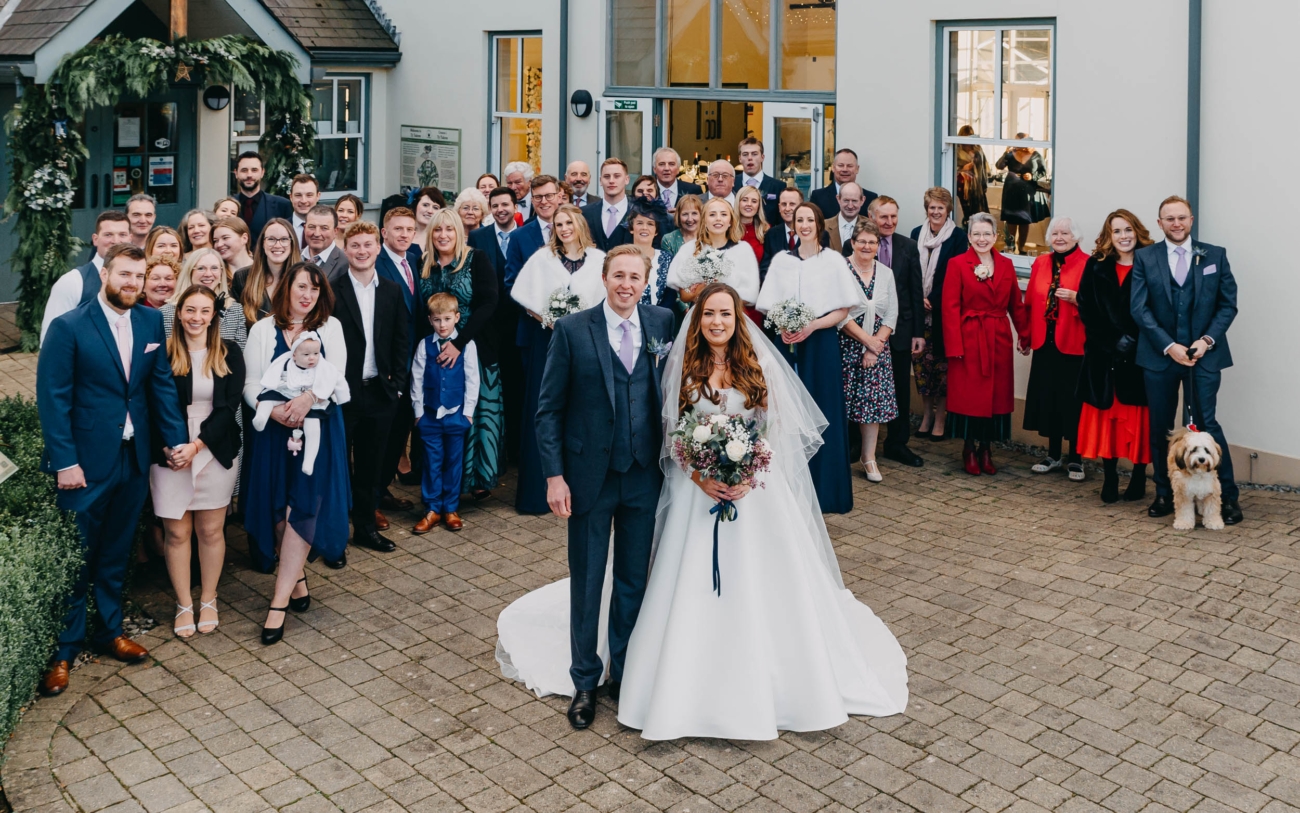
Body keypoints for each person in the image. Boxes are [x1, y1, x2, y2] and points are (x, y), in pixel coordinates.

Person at [495, 280, 909, 738]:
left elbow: (774, 428)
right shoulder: (682, 366)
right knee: (671, 581)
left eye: (725, 315)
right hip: (696, 493)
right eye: (709, 313)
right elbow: (670, 431)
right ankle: (632, 675)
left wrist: (749, 473)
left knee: (759, 584)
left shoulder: (756, 365)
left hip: (754, 497)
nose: (716, 321)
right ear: (699, 319)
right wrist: (700, 475)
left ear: (737, 320)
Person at [36, 244, 190, 696]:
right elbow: (54, 398)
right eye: (125, 274)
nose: (133, 283)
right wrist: (65, 461)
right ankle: (64, 649)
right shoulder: (69, 327)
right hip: (84, 462)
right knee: (80, 554)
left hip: (133, 458)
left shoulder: (148, 321)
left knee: (116, 550)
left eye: (139, 277)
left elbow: (159, 384)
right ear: (105, 273)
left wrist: (175, 438)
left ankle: (108, 631)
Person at [531, 245, 674, 728]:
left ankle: (625, 673)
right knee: (589, 582)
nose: (626, 285)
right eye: (618, 276)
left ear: (646, 279)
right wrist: (554, 476)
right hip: (587, 477)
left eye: (635, 276)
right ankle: (586, 682)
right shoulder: (573, 331)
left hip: (642, 476)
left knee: (634, 579)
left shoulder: (662, 323)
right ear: (604, 276)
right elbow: (548, 409)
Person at [243, 262, 351, 640]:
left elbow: (337, 378)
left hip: (318, 431)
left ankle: (277, 603)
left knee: (301, 510)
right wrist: (271, 411)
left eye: (315, 289)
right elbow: (252, 381)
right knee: (276, 513)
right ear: (287, 287)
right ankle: (297, 580)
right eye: (301, 286)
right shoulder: (261, 329)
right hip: (273, 432)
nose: (307, 295)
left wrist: (307, 399)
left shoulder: (330, 328)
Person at [1131, 196, 1241, 524]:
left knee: (1207, 425)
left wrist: (1206, 341)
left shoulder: (1215, 255)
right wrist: (1169, 345)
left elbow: (1227, 304)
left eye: (1181, 218)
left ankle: (1227, 498)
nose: (1176, 223)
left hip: (1205, 356)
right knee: (1161, 427)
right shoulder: (1145, 257)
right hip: (1159, 356)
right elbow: (1139, 308)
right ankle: (1165, 492)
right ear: (1160, 222)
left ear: (1191, 220)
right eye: (1169, 219)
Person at [757, 202, 865, 513]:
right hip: (786, 341)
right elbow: (768, 304)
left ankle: (825, 491)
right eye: (799, 219)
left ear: (819, 224)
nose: (804, 225)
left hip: (821, 343)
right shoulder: (781, 261)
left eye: (810, 220)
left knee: (823, 409)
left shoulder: (833, 262)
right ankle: (784, 491)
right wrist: (784, 325)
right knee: (782, 411)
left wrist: (812, 325)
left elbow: (844, 309)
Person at [151, 285, 244, 637]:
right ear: (178, 313)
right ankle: (183, 603)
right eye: (190, 310)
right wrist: (168, 447)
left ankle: (208, 598)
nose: (197, 318)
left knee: (210, 530)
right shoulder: (162, 352)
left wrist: (198, 446)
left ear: (214, 315)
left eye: (205, 311)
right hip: (170, 451)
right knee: (176, 532)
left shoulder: (229, 352)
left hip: (214, 448)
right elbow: (153, 404)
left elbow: (228, 407)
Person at [511, 204, 607, 514]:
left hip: (588, 343)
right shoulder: (543, 259)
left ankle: (583, 488)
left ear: (580, 225)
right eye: (558, 224)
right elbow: (523, 296)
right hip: (548, 341)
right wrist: (549, 317)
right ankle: (537, 494)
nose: (563, 228)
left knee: (583, 410)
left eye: (568, 222)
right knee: (546, 408)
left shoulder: (599, 260)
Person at [332, 220, 409, 561]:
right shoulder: (333, 291)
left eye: (368, 245)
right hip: (341, 395)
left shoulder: (391, 290)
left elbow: (400, 342)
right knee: (336, 468)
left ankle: (365, 529)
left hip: (379, 392)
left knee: (370, 466)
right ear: (345, 250)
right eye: (355, 246)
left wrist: (397, 388)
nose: (362, 251)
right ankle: (332, 539)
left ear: (378, 247)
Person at [419, 209, 502, 501]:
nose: (443, 235)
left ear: (459, 232)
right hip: (433, 352)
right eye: (438, 230)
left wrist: (460, 343)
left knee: (476, 413)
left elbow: (490, 301)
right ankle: (438, 483)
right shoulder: (424, 263)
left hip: (473, 345)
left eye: (449, 230)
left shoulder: (475, 259)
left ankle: (476, 479)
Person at [943, 212, 1029, 475]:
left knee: (995, 398)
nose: (982, 239)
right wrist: (954, 347)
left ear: (995, 237)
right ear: (969, 237)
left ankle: (987, 449)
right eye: (976, 234)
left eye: (987, 234)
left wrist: (1025, 335)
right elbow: (949, 307)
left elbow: (1016, 303)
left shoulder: (1005, 264)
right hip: (969, 338)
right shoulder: (958, 264)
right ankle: (969, 448)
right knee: (971, 398)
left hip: (998, 337)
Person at [1077, 209, 1153, 503]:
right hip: (1103, 356)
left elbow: (1160, 308)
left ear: (1137, 231)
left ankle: (1137, 478)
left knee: (1139, 419)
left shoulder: (1152, 264)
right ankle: (1109, 478)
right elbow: (1086, 307)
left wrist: (1134, 341)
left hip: (1139, 357)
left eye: (1128, 229)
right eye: (1117, 231)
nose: (1123, 236)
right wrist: (1112, 341)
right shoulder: (1096, 265)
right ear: (1109, 236)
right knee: (1107, 419)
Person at [1024, 217, 1089, 479]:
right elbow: (1029, 302)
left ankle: (1076, 458)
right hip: (1045, 341)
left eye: (1065, 233)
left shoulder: (1088, 264)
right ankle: (1053, 455)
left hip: (1074, 343)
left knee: (1072, 401)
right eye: (1055, 233)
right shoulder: (1041, 262)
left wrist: (1076, 299)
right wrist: (1026, 336)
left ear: (1076, 237)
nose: (1059, 237)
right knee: (1048, 398)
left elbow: (1098, 305)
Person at [411, 292, 480, 533]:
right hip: (429, 415)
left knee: (453, 462)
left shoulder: (467, 345)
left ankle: (451, 508)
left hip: (456, 414)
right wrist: (418, 412)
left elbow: (473, 379)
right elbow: (416, 379)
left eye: (447, 319)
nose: (442, 325)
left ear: (457, 318)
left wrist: (468, 413)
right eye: (437, 319)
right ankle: (432, 509)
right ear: (430, 320)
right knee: (432, 462)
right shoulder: (424, 345)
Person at [371, 206, 423, 520]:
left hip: (413, 363)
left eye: (408, 229)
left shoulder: (413, 261)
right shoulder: (377, 265)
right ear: (384, 233)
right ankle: (370, 499)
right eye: (397, 229)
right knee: (382, 434)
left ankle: (383, 488)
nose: (404, 235)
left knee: (399, 431)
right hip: (389, 365)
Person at [868, 196, 927, 468]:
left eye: (894, 216)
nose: (889, 222)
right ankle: (858, 443)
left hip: (901, 332)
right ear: (872, 218)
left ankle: (896, 443)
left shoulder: (908, 246)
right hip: (865, 331)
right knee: (863, 386)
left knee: (900, 389)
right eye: (884, 217)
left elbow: (916, 292)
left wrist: (918, 333)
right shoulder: (856, 244)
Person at [840, 221, 899, 483]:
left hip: (878, 348)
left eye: (872, 242)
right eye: (861, 241)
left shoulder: (886, 273)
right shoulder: (840, 269)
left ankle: (869, 458)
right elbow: (839, 314)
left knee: (871, 406)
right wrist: (867, 342)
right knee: (841, 403)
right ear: (852, 243)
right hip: (845, 345)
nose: (866, 246)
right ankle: (838, 458)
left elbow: (892, 313)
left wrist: (876, 347)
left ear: (878, 245)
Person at [469, 187, 523, 465]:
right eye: (495, 205)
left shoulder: (525, 235)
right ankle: (492, 451)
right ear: (489, 208)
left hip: (519, 325)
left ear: (515, 206)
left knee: (515, 388)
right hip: (487, 327)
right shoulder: (477, 237)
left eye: (506, 204)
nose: (501, 209)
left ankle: (514, 450)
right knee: (489, 390)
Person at [909, 187, 969, 440]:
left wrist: (931, 299)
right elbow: (910, 269)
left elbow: (955, 275)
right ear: (927, 209)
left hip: (943, 313)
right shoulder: (915, 234)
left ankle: (941, 418)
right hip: (917, 315)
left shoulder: (957, 237)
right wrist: (917, 299)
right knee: (922, 368)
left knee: (942, 370)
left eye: (940, 208)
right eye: (931, 207)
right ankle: (926, 415)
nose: (935, 212)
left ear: (948, 210)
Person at [251, 330, 349, 476]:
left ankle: (309, 460)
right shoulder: (286, 361)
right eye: (306, 355)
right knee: (268, 398)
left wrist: (341, 395)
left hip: (312, 399)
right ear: (294, 355)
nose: (312, 358)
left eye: (316, 353)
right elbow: (272, 372)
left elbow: (336, 378)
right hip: (286, 390)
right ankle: (261, 418)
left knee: (313, 426)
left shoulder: (323, 365)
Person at [40, 211, 132, 342]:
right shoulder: (72, 282)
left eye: (122, 234)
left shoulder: (139, 280)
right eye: (108, 234)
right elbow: (51, 338)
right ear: (95, 239)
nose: (116, 241)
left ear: (130, 239)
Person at [666, 197, 761, 306]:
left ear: (730, 221)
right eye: (712, 215)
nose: (718, 219)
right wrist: (700, 289)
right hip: (700, 312)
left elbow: (750, 296)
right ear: (704, 221)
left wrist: (716, 290)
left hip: (731, 313)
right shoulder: (689, 249)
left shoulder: (743, 249)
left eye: (724, 214)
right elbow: (684, 296)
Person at [162, 249, 248, 347]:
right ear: (190, 272)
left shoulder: (235, 310)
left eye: (214, 268)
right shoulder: (166, 313)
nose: (208, 274)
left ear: (221, 274)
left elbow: (240, 354)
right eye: (201, 268)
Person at [232, 217, 301, 329]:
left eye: (284, 239)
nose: (278, 245)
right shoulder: (242, 277)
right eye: (271, 239)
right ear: (263, 243)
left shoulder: (303, 278)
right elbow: (236, 325)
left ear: (292, 243)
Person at [995, 136, 1050, 254]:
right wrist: (1005, 152)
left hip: (1028, 191)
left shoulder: (1036, 155)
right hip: (1011, 190)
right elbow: (999, 166)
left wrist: (1032, 176)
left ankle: (1022, 248)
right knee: (1011, 219)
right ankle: (1010, 246)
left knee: (1025, 220)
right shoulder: (1010, 154)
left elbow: (1043, 171)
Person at [626, 197, 677, 309]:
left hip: (658, 319)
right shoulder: (619, 257)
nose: (644, 228)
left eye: (650, 224)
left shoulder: (666, 259)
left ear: (656, 231)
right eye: (639, 223)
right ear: (631, 228)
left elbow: (671, 294)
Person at [233, 151, 293, 245]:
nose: (249, 175)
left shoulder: (282, 205)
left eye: (254, 170)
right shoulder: (227, 206)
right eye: (244, 170)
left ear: (262, 172)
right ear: (236, 173)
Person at [582, 158, 634, 252]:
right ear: (600, 181)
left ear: (627, 179)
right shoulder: (585, 213)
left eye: (617, 176)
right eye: (606, 176)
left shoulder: (639, 212)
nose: (611, 181)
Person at [810, 148, 877, 220]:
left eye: (850, 166)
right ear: (833, 168)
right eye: (841, 165)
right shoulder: (818, 197)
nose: (845, 169)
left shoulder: (871, 198)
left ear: (857, 169)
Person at [733, 137, 784, 226]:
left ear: (762, 157)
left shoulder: (778, 186)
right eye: (745, 154)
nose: (749, 158)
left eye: (754, 154)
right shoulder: (731, 184)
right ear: (740, 158)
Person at [954, 127, 990, 226]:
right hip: (964, 187)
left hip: (978, 186)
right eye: (966, 136)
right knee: (968, 214)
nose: (968, 139)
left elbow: (984, 166)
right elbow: (951, 167)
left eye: (970, 135)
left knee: (982, 214)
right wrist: (963, 169)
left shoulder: (978, 148)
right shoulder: (956, 150)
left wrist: (984, 183)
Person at [302, 204, 347, 281]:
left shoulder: (345, 264)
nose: (317, 234)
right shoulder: (293, 257)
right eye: (312, 227)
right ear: (305, 228)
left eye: (324, 228)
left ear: (335, 231)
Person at [651, 147, 702, 212]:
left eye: (671, 164)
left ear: (678, 169)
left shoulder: (694, 191)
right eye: (661, 164)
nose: (666, 168)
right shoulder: (646, 191)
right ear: (654, 169)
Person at [824, 182, 869, 255]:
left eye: (854, 201)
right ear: (838, 199)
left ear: (862, 200)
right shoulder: (823, 226)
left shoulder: (871, 227)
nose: (850, 206)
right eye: (846, 200)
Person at [734, 185, 769, 268]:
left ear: (758, 206)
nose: (749, 204)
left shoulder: (766, 230)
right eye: (744, 200)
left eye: (754, 201)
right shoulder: (728, 229)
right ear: (738, 202)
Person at [410, 187, 446, 261]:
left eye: (435, 207)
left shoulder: (442, 238)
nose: (430, 211)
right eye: (425, 205)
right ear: (415, 206)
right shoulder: (404, 235)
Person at [288, 174, 320, 249]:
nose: (303, 201)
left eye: (309, 195)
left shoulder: (327, 229)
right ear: (291, 197)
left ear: (318, 196)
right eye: (298, 195)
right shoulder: (282, 228)